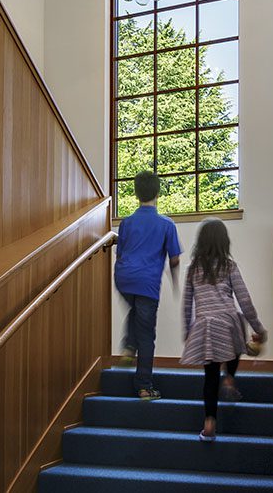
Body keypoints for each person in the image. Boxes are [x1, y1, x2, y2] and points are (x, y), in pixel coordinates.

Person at [181, 218, 267, 441]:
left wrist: (187, 331)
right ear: (224, 241)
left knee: (210, 377)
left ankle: (209, 424)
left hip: (206, 325)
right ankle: (229, 377)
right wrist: (258, 327)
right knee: (236, 337)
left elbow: (187, 303)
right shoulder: (229, 266)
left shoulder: (193, 270)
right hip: (229, 321)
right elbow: (244, 300)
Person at [115, 171, 182, 400]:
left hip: (123, 279)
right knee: (146, 334)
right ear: (157, 193)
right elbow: (175, 259)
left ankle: (128, 345)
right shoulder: (166, 224)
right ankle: (144, 386)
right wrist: (175, 281)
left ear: (135, 193)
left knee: (137, 311)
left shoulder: (126, 222)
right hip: (146, 283)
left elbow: (120, 254)